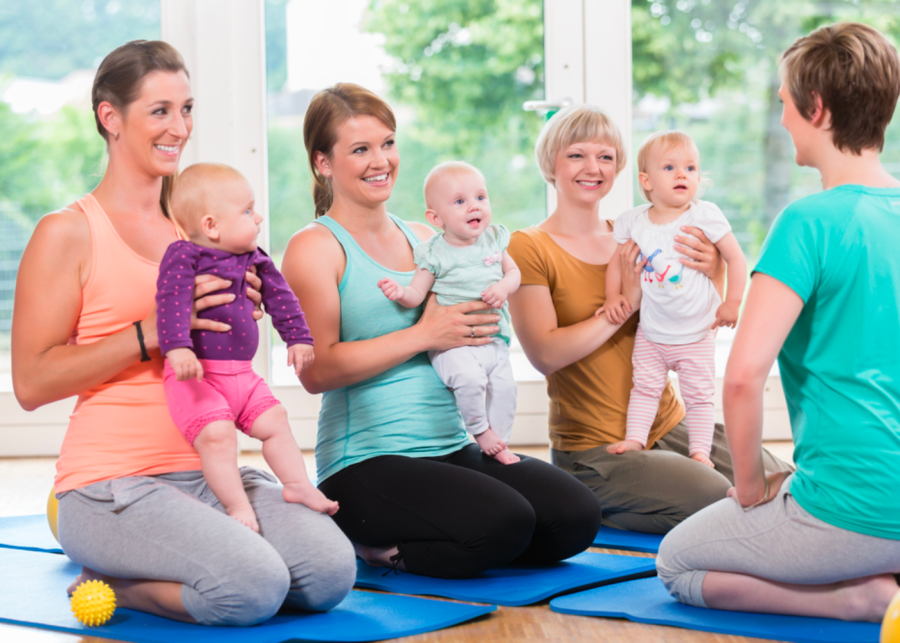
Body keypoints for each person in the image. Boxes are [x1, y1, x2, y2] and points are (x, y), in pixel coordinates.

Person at [11, 41, 355, 626]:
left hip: (210, 472)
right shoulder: (68, 231)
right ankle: (118, 583)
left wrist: (249, 313)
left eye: (187, 108)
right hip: (111, 486)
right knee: (252, 587)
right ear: (110, 117)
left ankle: (205, 556)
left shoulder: (204, 225)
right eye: (160, 111)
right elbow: (31, 382)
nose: (180, 127)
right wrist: (146, 334)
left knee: (329, 573)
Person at [281, 83, 601, 580]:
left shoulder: (428, 236)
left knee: (575, 517)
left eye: (387, 143)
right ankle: (374, 547)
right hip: (367, 461)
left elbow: (470, 314)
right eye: (360, 149)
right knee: (504, 522)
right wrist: (423, 335)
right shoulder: (315, 248)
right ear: (323, 163)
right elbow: (316, 371)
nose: (380, 160)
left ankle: (459, 532)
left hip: (450, 445)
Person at [656, 22, 900, 621]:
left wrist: (747, 487)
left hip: (856, 511)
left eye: (785, 104)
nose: (784, 117)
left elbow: (742, 378)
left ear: (816, 109)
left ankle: (861, 600)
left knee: (676, 563)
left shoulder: (807, 222)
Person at [507, 104, 791, 534]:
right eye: (576, 155)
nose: (593, 167)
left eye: (605, 156)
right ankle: (593, 505)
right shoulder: (528, 246)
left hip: (669, 424)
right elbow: (545, 354)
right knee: (718, 498)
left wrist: (712, 267)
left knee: (783, 482)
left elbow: (693, 308)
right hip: (595, 449)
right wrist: (629, 302)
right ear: (551, 162)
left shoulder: (641, 231)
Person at [158, 163, 338, 533]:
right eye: (246, 211)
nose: (258, 217)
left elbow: (282, 298)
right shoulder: (182, 256)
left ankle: (298, 485)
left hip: (242, 375)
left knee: (276, 421)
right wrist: (178, 348)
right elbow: (171, 301)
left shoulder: (254, 258)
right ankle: (237, 503)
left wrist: (299, 337)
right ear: (211, 226)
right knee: (218, 436)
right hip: (199, 377)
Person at [602, 130, 747, 467]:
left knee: (699, 398)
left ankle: (700, 453)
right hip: (652, 333)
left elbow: (736, 258)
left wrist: (732, 302)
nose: (683, 174)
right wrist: (613, 295)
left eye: (691, 168)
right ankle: (636, 439)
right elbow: (616, 261)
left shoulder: (704, 215)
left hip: (696, 333)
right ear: (646, 180)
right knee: (644, 388)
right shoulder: (634, 221)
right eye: (669, 167)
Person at [377, 161, 521, 465]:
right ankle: (480, 431)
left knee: (506, 388)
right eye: (460, 201)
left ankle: (501, 441)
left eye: (480, 198)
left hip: (493, 340)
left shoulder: (493, 239)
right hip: (453, 346)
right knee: (469, 380)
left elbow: (514, 272)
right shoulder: (434, 253)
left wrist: (505, 287)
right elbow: (417, 293)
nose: (474, 207)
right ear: (435, 217)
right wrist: (400, 293)